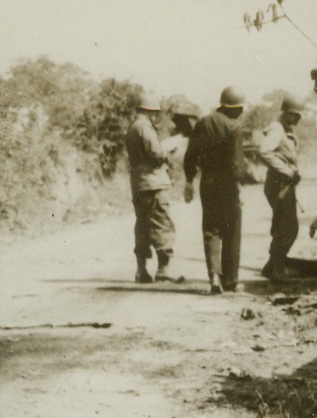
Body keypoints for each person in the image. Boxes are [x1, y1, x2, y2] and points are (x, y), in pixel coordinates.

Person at [184, 86, 246, 295]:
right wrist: (239, 187)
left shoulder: (203, 122)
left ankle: (214, 277)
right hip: (228, 185)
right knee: (232, 229)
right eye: (240, 108)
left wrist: (189, 180)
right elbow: (237, 165)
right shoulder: (234, 127)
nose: (241, 112)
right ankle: (230, 280)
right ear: (233, 108)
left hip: (208, 182)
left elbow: (191, 154)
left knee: (211, 229)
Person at [124, 93, 176, 283]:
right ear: (150, 111)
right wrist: (167, 150)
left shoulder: (132, 127)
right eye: (155, 113)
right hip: (154, 184)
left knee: (143, 226)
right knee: (162, 224)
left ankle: (141, 270)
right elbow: (155, 155)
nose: (156, 117)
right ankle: (163, 269)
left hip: (138, 184)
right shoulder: (144, 127)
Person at [258, 95, 304, 282]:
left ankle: (271, 266)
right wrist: (286, 171)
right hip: (279, 185)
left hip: (284, 184)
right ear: (289, 114)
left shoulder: (285, 129)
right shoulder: (277, 129)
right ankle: (276, 269)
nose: (297, 119)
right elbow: (264, 151)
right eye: (295, 115)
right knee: (288, 228)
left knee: (283, 226)